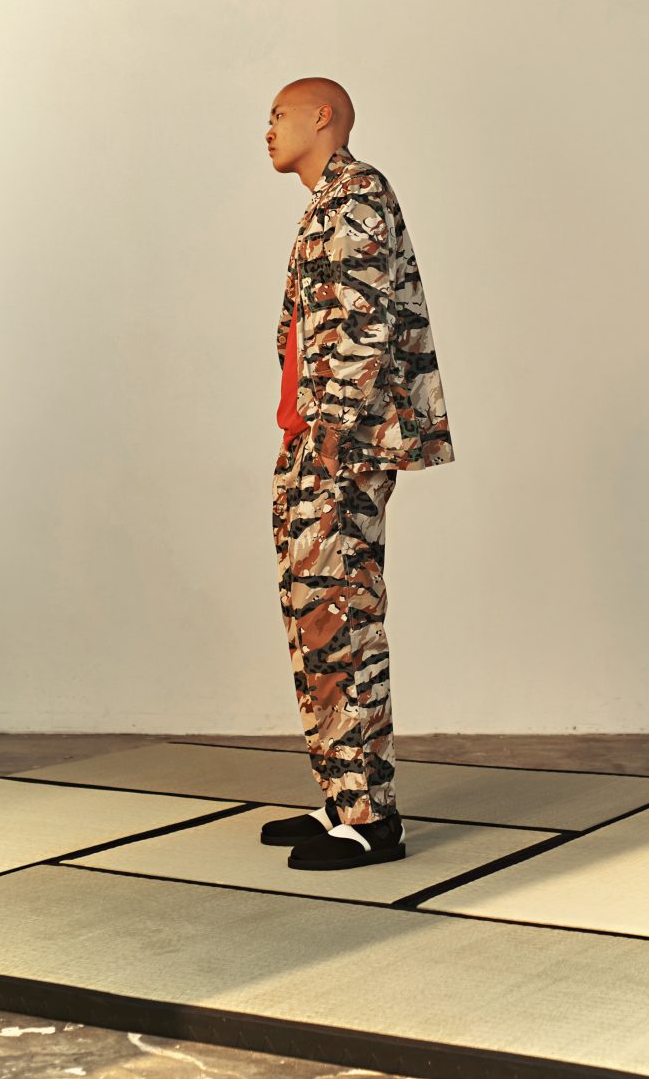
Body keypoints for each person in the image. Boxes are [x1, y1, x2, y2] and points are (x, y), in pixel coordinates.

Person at [261, 77, 455, 871]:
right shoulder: (326, 204)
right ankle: (344, 798)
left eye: (280, 114)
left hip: (343, 444)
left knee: (344, 623)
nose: (269, 129)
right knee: (315, 621)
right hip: (315, 440)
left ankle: (373, 819)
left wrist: (332, 433)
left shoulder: (357, 197)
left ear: (324, 117)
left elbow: (366, 323)